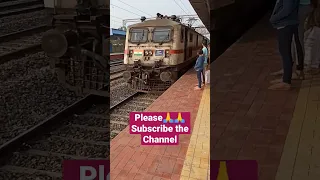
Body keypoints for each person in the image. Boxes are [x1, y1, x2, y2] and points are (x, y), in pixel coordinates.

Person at [271, 0, 312, 80]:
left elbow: (287, 9)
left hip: (302, 5)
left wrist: (273, 19)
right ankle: (288, 69)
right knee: (294, 40)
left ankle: (298, 70)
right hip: (301, 5)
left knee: (297, 39)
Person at [269, 0, 301, 90]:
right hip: (287, 23)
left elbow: (287, 10)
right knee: (285, 51)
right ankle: (286, 77)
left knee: (285, 52)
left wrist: (273, 19)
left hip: (286, 24)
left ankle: (286, 81)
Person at [304, 0, 320, 74]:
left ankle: (314, 65)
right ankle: (308, 63)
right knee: (307, 38)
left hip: (317, 28)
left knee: (315, 35)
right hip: (313, 27)